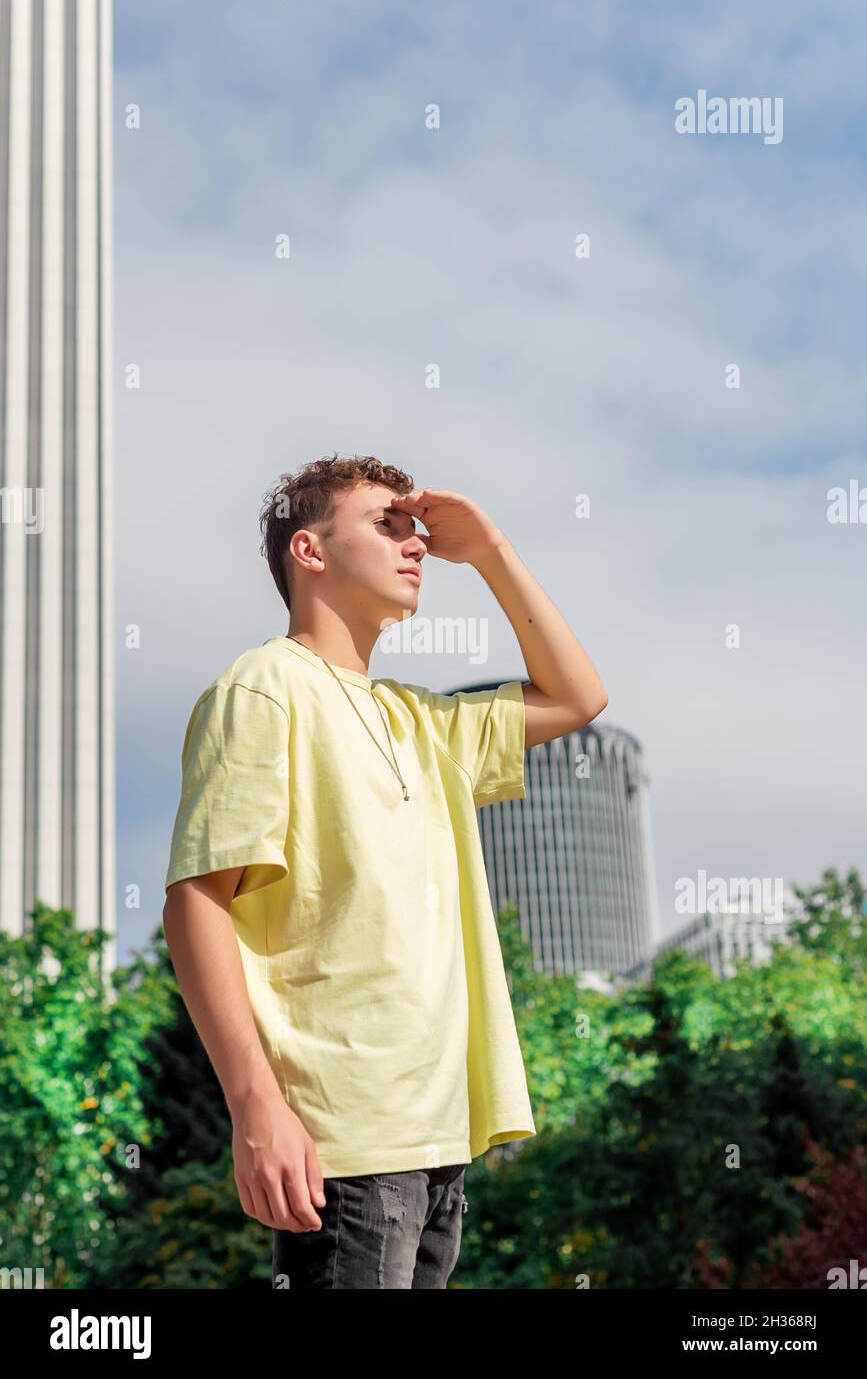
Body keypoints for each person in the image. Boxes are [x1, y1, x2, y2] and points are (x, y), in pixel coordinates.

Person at [162, 454, 607, 1289]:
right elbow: (195, 902)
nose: (413, 544)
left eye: (416, 529)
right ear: (310, 551)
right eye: (385, 524)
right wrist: (255, 1105)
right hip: (344, 1131)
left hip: (438, 1138)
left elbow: (578, 698)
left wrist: (491, 553)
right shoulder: (262, 688)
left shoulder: (421, 719)